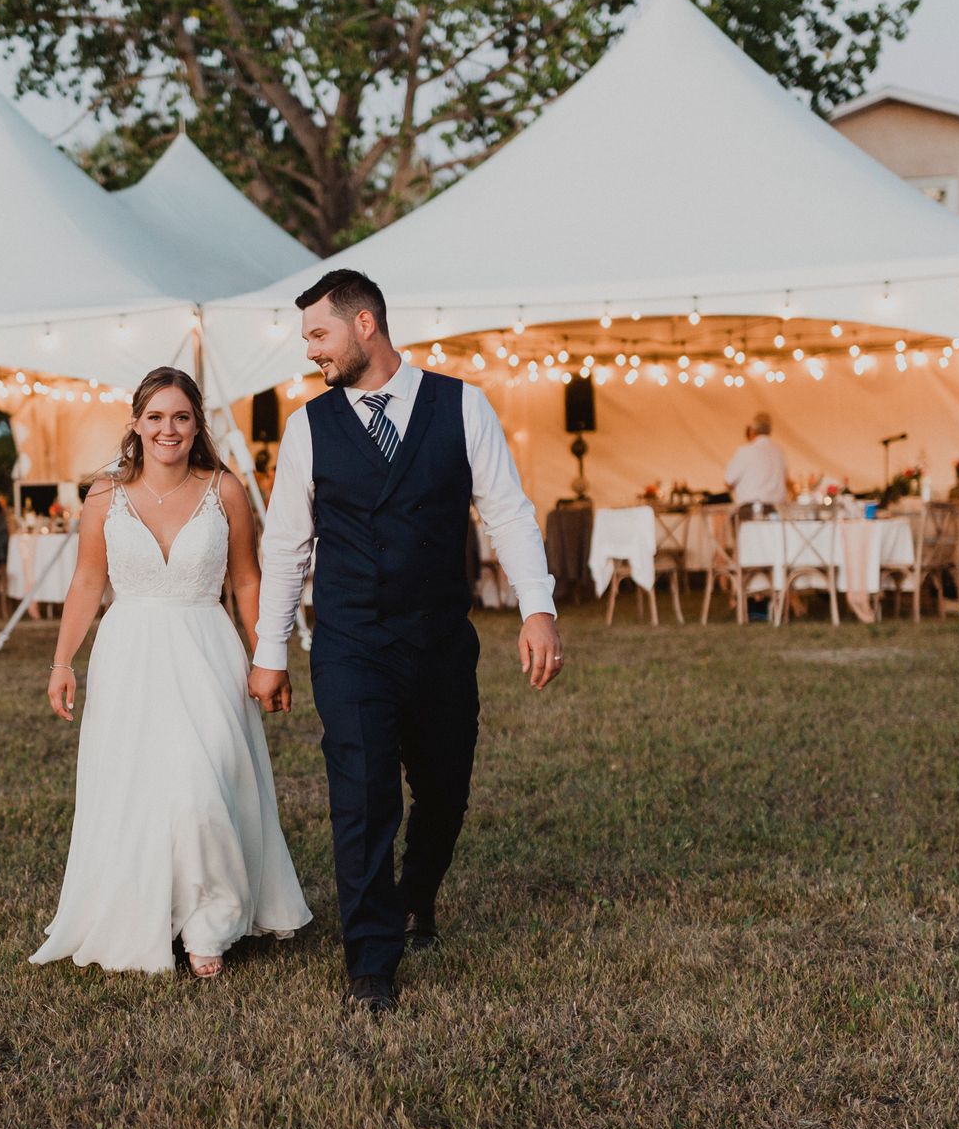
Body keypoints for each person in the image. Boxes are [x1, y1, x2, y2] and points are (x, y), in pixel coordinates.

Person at [246, 269, 562, 1016]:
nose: (310, 353)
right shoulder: (307, 427)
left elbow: (509, 514)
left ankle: (418, 895)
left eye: (319, 335)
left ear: (364, 325)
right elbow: (287, 545)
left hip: (440, 639)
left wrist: (537, 608)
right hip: (352, 641)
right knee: (360, 794)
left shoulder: (462, 406)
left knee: (445, 789)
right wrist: (270, 649)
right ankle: (371, 959)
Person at [32, 368, 310, 978]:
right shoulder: (104, 494)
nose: (168, 429)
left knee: (202, 786)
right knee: (138, 789)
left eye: (181, 417)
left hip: (206, 649)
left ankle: (211, 918)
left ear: (196, 425)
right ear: (135, 423)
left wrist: (271, 655)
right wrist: (62, 662)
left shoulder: (225, 490)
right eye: (155, 417)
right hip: (129, 654)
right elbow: (85, 580)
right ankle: (152, 913)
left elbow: (245, 580)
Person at [725, 412, 789, 510]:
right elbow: (786, 481)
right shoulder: (779, 452)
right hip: (777, 511)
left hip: (750, 512)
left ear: (752, 431)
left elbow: (728, 481)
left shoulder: (745, 451)